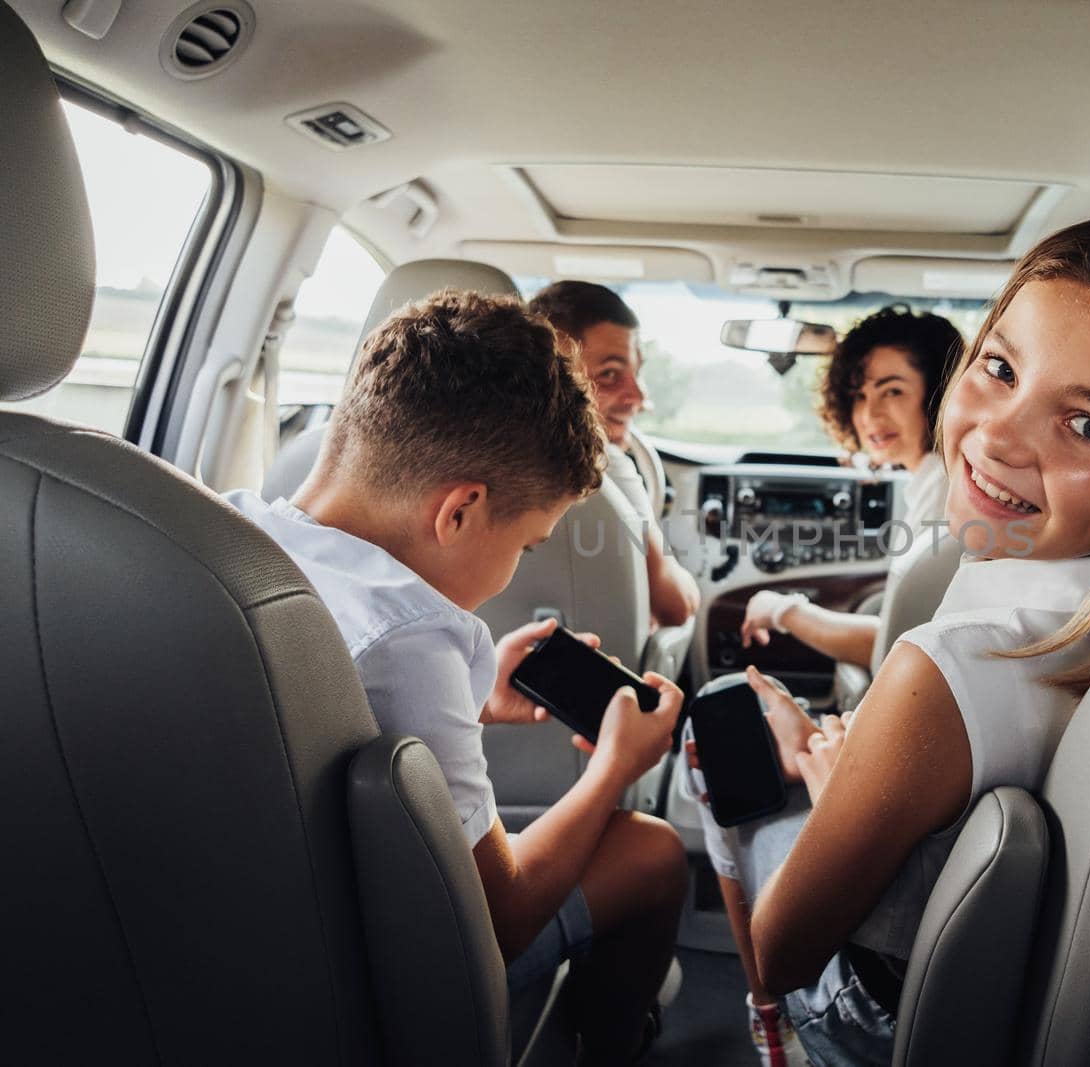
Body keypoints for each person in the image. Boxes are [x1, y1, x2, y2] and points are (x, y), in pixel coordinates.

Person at [698, 209, 1090, 1065]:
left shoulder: (946, 670)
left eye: (1089, 425)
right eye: (998, 367)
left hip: (887, 1011)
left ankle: (776, 1036)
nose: (996, 434)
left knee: (721, 729)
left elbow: (785, 947)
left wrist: (829, 773)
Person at [227, 290, 686, 1065]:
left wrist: (472, 699)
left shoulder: (229, 535)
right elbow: (496, 917)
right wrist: (613, 768)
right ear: (461, 511)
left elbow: (313, 729)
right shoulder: (415, 639)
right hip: (374, 992)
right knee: (650, 850)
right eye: (529, 544)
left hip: (247, 950)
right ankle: (611, 1043)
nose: (517, 565)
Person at [739, 305, 965, 669]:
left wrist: (783, 610)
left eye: (891, 392)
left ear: (940, 393)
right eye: (859, 396)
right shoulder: (935, 474)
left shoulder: (946, 490)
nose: (869, 415)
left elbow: (897, 650)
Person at [528, 280, 701, 628]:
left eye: (636, 372)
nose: (638, 396)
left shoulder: (470, 454)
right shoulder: (606, 466)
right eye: (609, 374)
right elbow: (676, 606)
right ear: (553, 376)